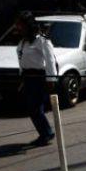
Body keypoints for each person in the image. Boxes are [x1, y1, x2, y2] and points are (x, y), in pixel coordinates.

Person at [14, 12, 56, 146]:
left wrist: (51, 79)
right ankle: (45, 133)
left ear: (28, 25)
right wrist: (22, 76)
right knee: (32, 108)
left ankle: (47, 133)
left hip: (39, 78)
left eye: (21, 24)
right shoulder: (23, 42)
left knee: (35, 108)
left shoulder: (41, 40)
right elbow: (21, 60)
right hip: (28, 78)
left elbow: (50, 60)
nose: (18, 27)